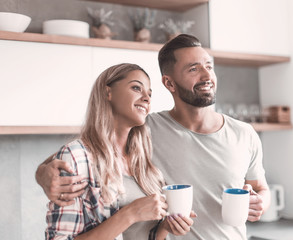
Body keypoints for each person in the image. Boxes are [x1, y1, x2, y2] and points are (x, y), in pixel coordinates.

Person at [36, 35, 270, 239]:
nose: (206, 74)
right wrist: (43, 174)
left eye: (209, 66)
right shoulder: (145, 128)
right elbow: (82, 154)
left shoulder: (244, 133)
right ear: (169, 83)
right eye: (194, 69)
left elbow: (261, 189)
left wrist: (262, 202)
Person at [41, 63, 195, 240]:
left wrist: (165, 228)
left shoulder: (143, 159)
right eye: (136, 88)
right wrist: (130, 214)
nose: (146, 98)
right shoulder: (77, 156)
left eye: (149, 94)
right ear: (108, 93)